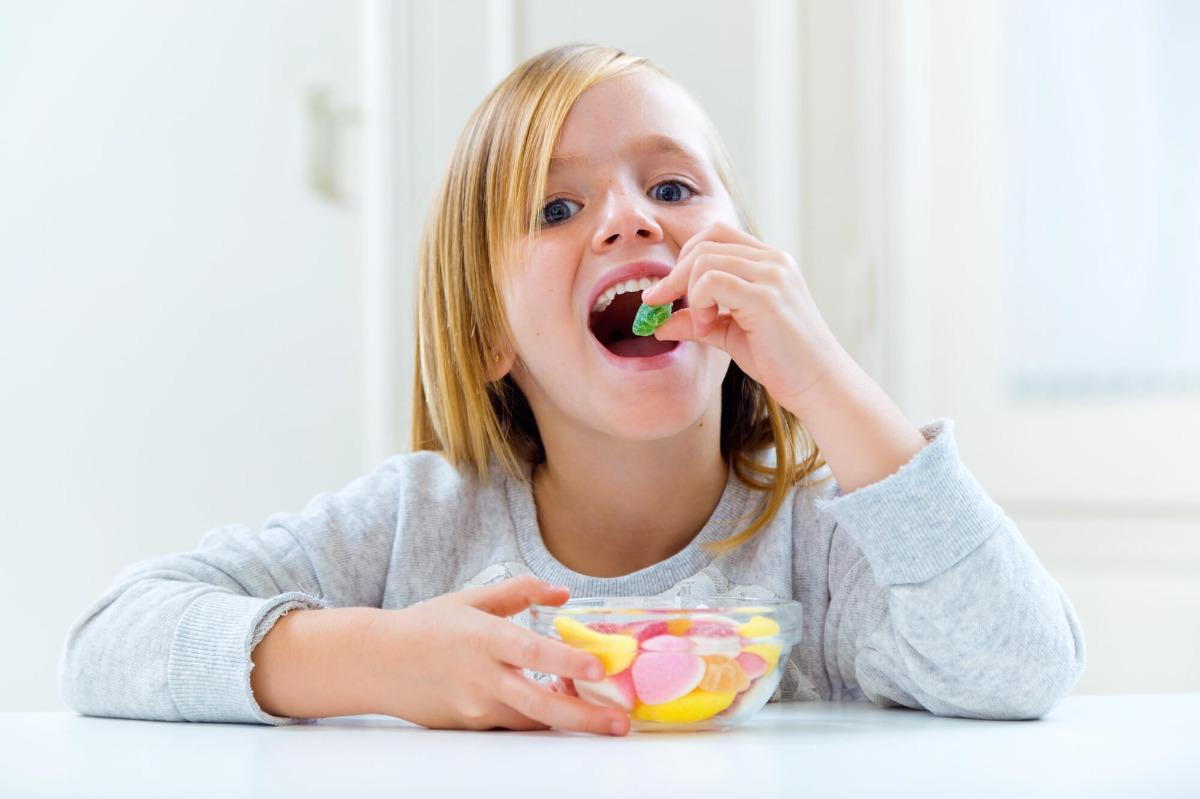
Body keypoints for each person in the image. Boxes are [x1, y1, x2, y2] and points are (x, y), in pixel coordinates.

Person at [59, 44, 1085, 738]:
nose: (631, 220)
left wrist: (822, 373)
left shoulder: (819, 548)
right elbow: (109, 642)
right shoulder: (415, 527)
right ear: (486, 334)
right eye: (557, 205)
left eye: (673, 188)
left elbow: (1020, 665)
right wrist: (388, 661)